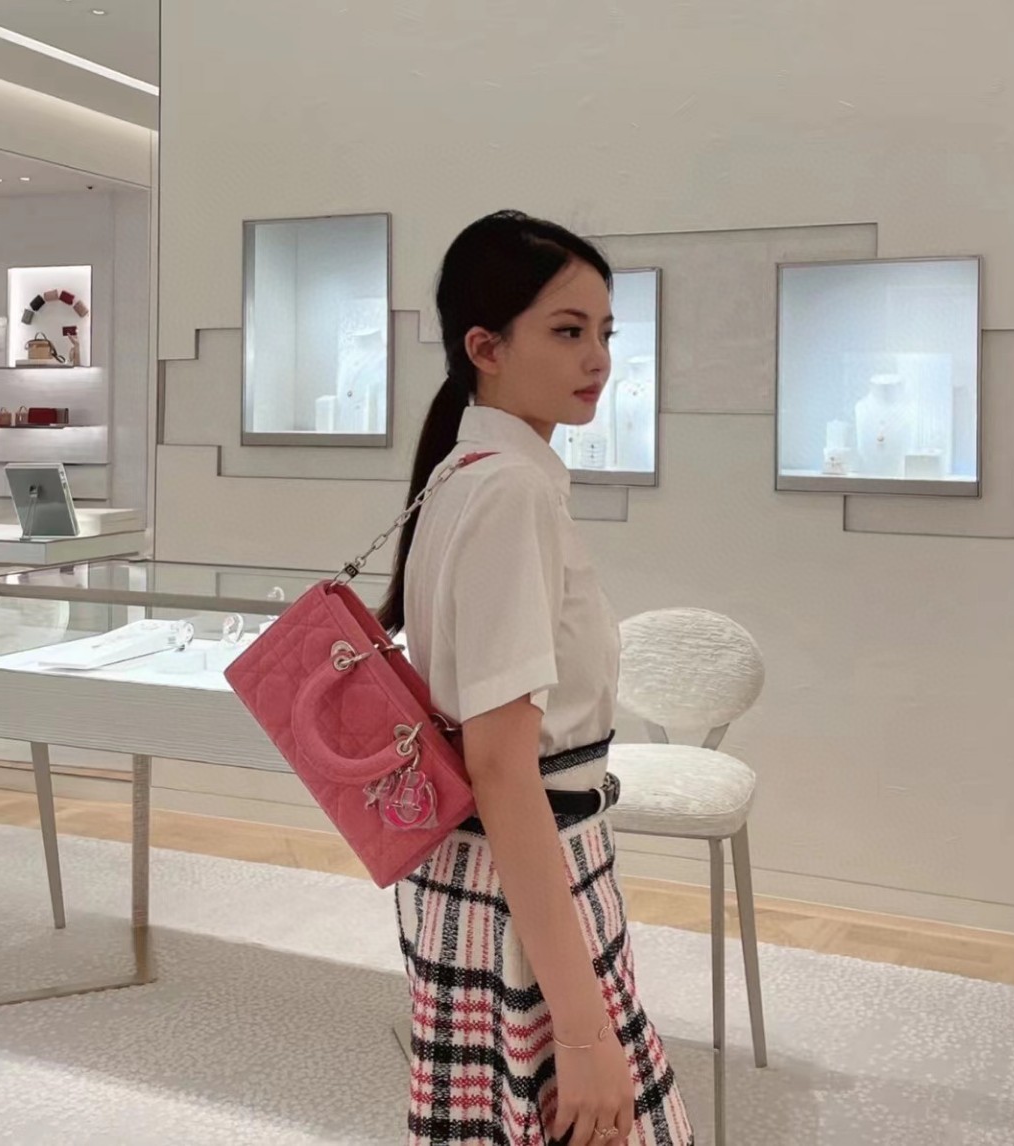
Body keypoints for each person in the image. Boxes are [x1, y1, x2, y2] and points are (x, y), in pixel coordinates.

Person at [378, 210, 694, 1146]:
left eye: (605, 332)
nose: (597, 358)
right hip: (524, 880)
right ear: (486, 347)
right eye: (566, 330)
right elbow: (502, 768)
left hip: (494, 873)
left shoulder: (472, 472)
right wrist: (588, 1035)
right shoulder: (509, 490)